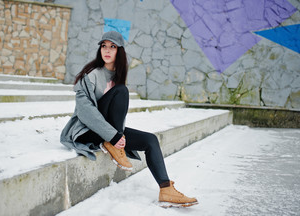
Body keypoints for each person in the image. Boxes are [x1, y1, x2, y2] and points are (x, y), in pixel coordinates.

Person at [60, 31, 198, 207]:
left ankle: (166, 189)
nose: (107, 50)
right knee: (121, 91)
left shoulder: (117, 76)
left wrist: (115, 135)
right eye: (104, 46)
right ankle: (112, 144)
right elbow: (85, 111)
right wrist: (114, 136)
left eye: (113, 46)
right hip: (86, 131)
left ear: (120, 51)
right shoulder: (91, 75)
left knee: (150, 140)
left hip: (108, 133)